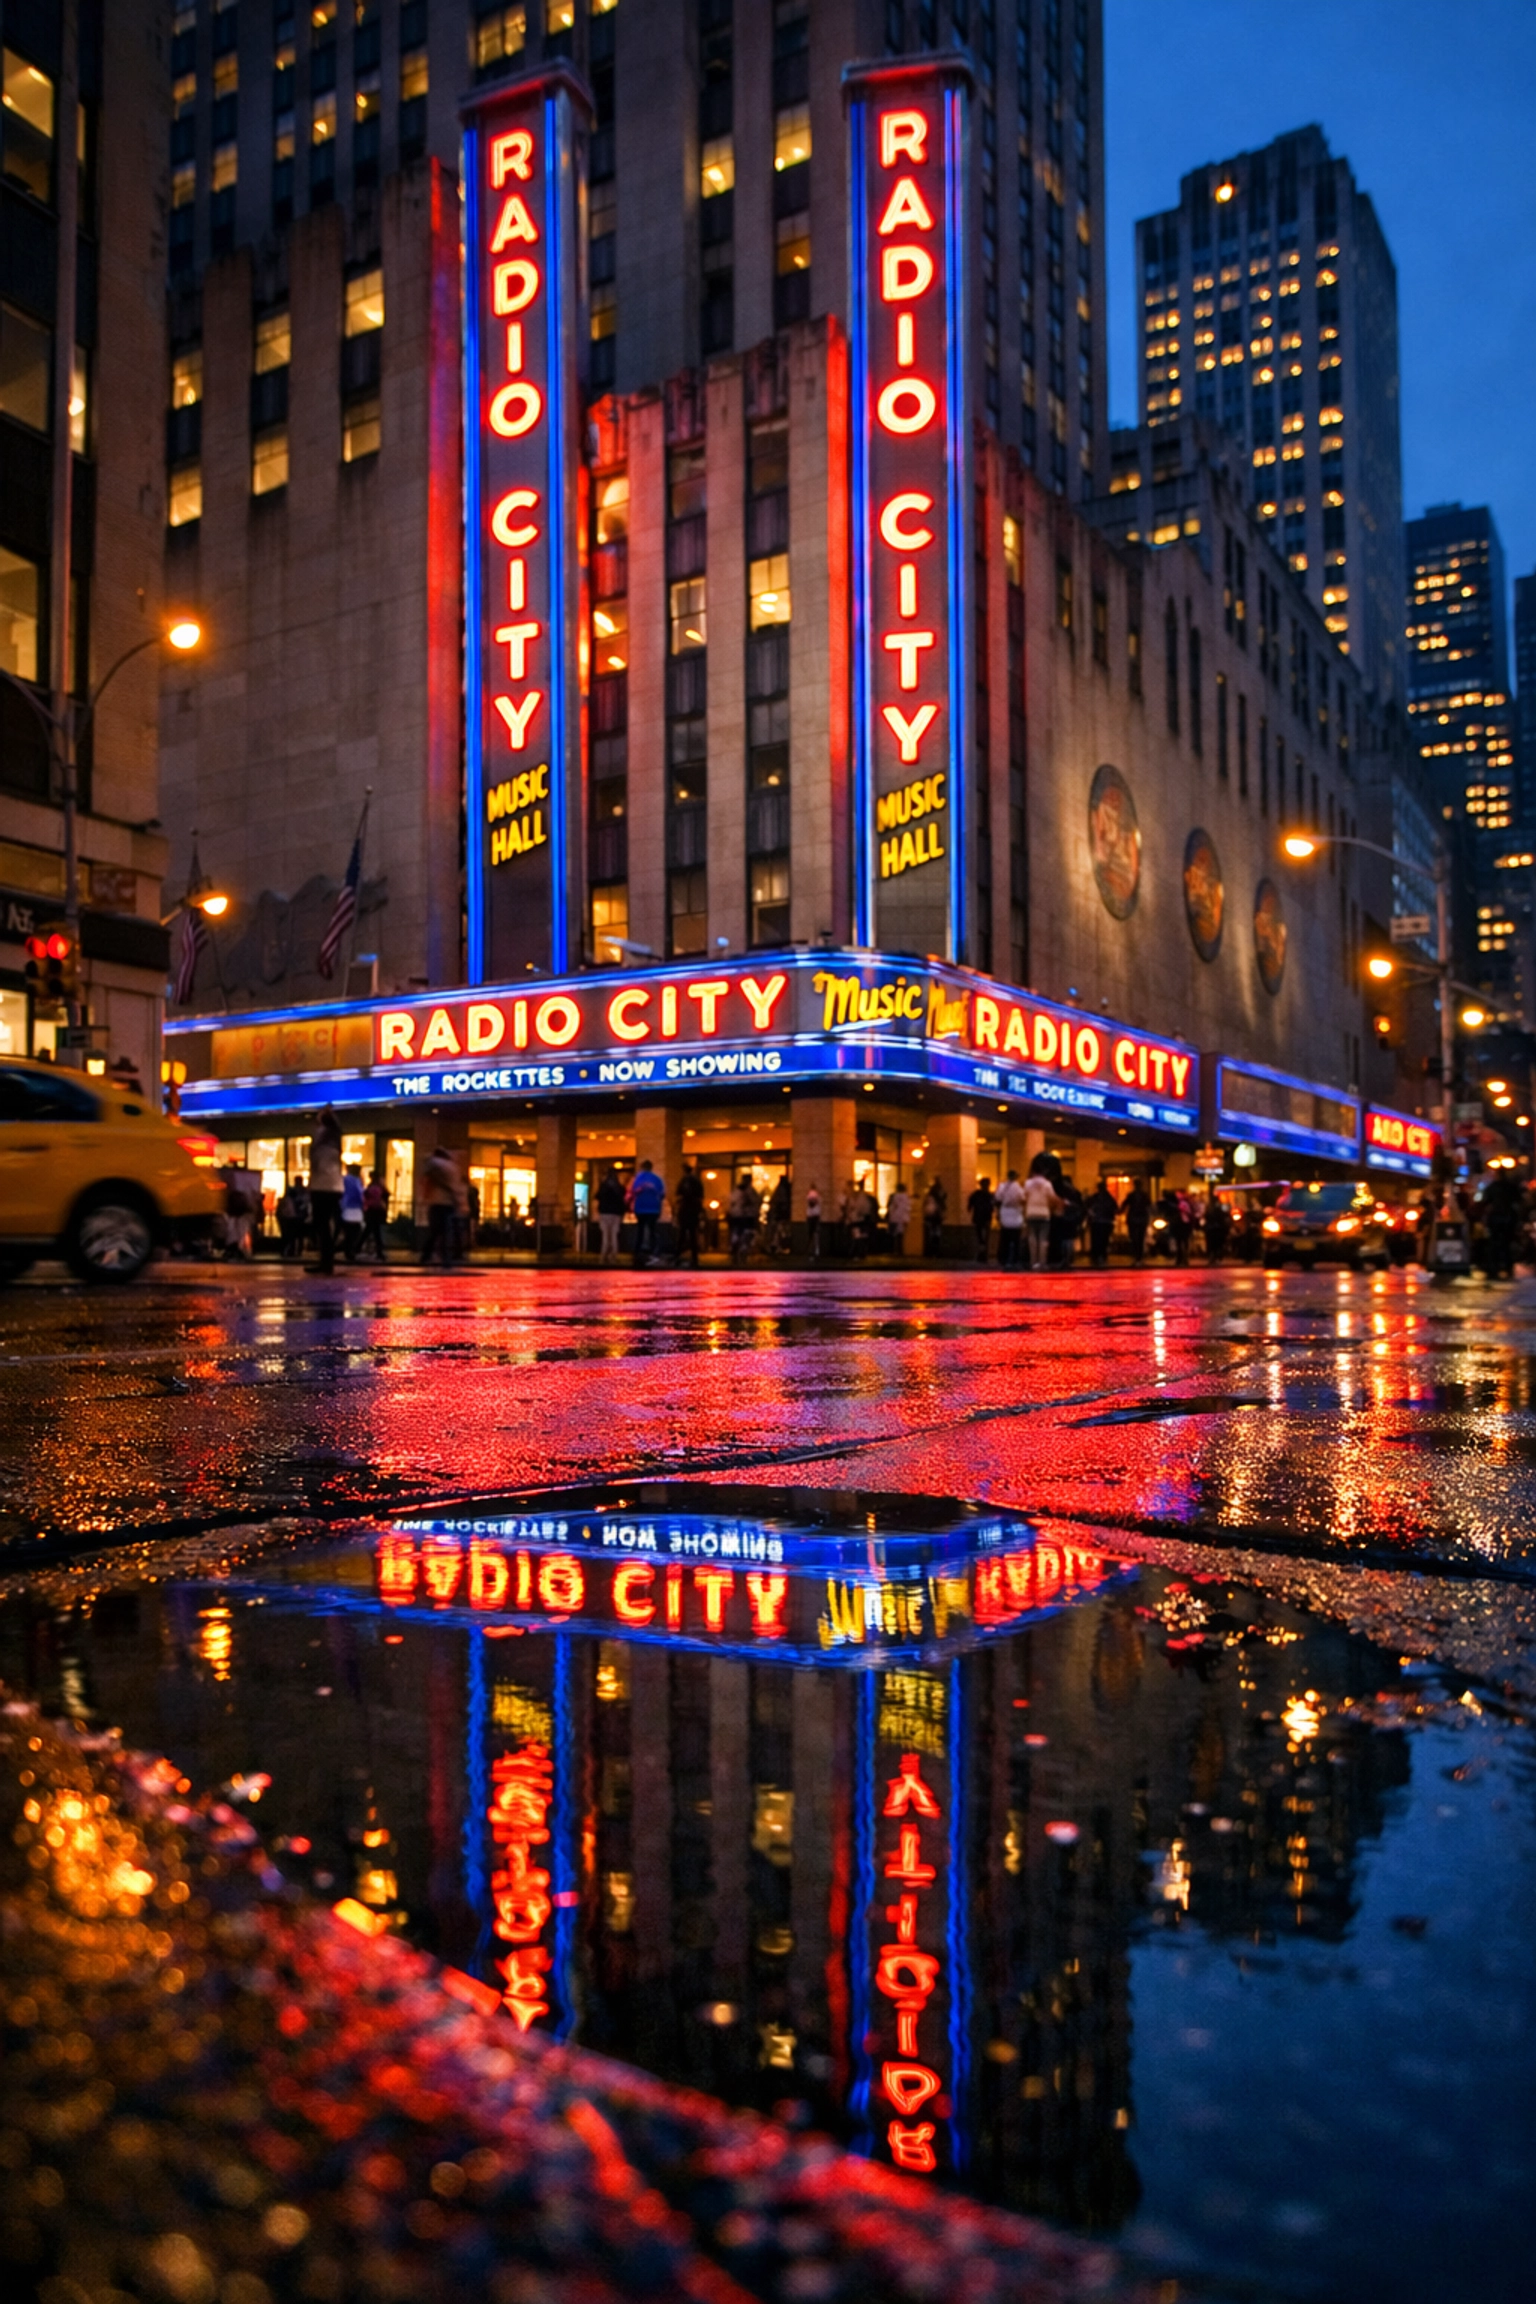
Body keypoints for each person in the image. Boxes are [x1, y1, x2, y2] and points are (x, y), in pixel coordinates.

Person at [308, 1109, 345, 1273]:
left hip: (321, 1186)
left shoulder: (320, 1139)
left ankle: (326, 1262)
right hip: (335, 1186)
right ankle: (327, 1262)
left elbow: (315, 1163)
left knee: (321, 1225)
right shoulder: (335, 1139)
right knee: (327, 1225)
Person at [421, 1144, 462, 1268]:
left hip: (436, 1202)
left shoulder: (434, 1164)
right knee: (446, 1232)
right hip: (449, 1203)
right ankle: (446, 1260)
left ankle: (426, 1256)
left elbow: (428, 1174)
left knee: (435, 1231)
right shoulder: (453, 1167)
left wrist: (425, 1197)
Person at [628, 1157, 665, 1267]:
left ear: (643, 1167)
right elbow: (662, 1194)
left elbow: (633, 1192)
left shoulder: (638, 1179)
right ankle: (654, 1253)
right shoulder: (657, 1179)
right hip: (654, 1209)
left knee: (640, 1231)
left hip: (641, 1208)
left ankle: (637, 1253)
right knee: (652, 1231)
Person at [1023, 1167, 1062, 1269]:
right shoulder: (1047, 1184)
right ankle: (1042, 1262)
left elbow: (1024, 1197)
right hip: (1044, 1214)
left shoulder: (1028, 1183)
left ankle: (1033, 1262)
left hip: (1031, 1213)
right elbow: (1053, 1198)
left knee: (1032, 1238)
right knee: (1043, 1239)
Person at [674, 1162, 705, 1268]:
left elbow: (678, 1195)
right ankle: (694, 1258)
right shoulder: (697, 1181)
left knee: (682, 1234)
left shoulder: (684, 1181)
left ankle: (677, 1256)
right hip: (694, 1210)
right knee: (693, 1235)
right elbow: (701, 1196)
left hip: (686, 1210)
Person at [994, 1170, 1027, 1267]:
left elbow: (998, 1197)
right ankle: (1015, 1258)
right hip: (1016, 1214)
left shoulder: (1002, 1186)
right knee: (1016, 1238)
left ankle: (1003, 1258)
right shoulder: (1018, 1188)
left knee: (1005, 1238)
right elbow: (1023, 1198)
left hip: (1005, 1213)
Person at [595, 1166, 626, 1265]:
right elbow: (623, 1199)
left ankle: (603, 1255)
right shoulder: (619, 1187)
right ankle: (613, 1255)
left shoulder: (603, 1186)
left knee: (605, 1235)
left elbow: (597, 1196)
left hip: (604, 1213)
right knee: (614, 1235)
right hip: (616, 1214)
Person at [1085, 1182, 1118, 1268]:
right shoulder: (1109, 1198)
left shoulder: (1094, 1198)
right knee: (1104, 1240)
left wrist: (1091, 1214)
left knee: (1096, 1240)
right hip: (1106, 1221)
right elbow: (1115, 1209)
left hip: (1097, 1221)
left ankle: (1096, 1256)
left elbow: (1087, 1206)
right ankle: (1102, 1256)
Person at [362, 1171, 389, 1263]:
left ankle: (357, 1249)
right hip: (379, 1212)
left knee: (369, 1231)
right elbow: (386, 1197)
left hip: (372, 1212)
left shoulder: (371, 1187)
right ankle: (379, 1252)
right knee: (376, 1232)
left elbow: (365, 1196)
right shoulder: (381, 1187)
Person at [341, 1165, 366, 1263]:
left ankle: (347, 1250)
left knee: (349, 1232)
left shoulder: (345, 1179)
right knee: (354, 1231)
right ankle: (349, 1251)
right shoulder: (357, 1181)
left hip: (347, 1208)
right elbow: (360, 1194)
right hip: (354, 1209)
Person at [1124, 1180, 1152, 1266]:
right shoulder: (1144, 1195)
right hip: (1141, 1219)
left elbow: (1124, 1204)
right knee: (1139, 1239)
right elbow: (1149, 1206)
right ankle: (1139, 1258)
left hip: (1134, 1219)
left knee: (1135, 1239)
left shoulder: (1132, 1195)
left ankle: (1137, 1258)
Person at [969, 1176, 996, 1263]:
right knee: (985, 1237)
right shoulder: (990, 1195)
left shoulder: (976, 1194)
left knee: (979, 1236)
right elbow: (992, 1206)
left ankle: (980, 1254)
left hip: (978, 1217)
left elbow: (970, 1204)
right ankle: (984, 1255)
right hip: (986, 1218)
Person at [767, 1171, 793, 1256]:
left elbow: (775, 1202)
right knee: (780, 1232)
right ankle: (777, 1246)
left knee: (779, 1232)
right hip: (782, 1216)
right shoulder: (785, 1190)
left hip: (780, 1216)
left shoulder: (780, 1190)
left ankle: (776, 1246)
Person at [1203, 1190, 1231, 1265]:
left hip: (1212, 1228)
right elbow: (1225, 1217)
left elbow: (1206, 1217)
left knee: (1212, 1244)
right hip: (1218, 1228)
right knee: (1218, 1244)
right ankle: (1216, 1257)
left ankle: (1213, 1257)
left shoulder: (1210, 1208)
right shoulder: (1221, 1208)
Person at [886, 1179, 912, 1256]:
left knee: (892, 1235)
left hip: (893, 1217)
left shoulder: (893, 1196)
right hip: (902, 1218)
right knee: (900, 1235)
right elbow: (908, 1208)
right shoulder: (907, 1197)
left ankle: (892, 1250)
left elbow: (890, 1206)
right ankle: (900, 1251)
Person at [922, 1176, 946, 1257]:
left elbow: (925, 1204)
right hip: (937, 1216)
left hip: (931, 1215)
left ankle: (931, 1251)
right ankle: (936, 1250)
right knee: (937, 1232)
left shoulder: (931, 1194)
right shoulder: (940, 1194)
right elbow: (943, 1204)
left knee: (931, 1232)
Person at [805, 1182, 823, 1260]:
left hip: (811, 1216)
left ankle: (811, 1250)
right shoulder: (818, 1196)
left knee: (811, 1234)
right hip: (815, 1216)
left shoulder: (809, 1195)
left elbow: (809, 1204)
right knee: (815, 1234)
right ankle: (816, 1250)